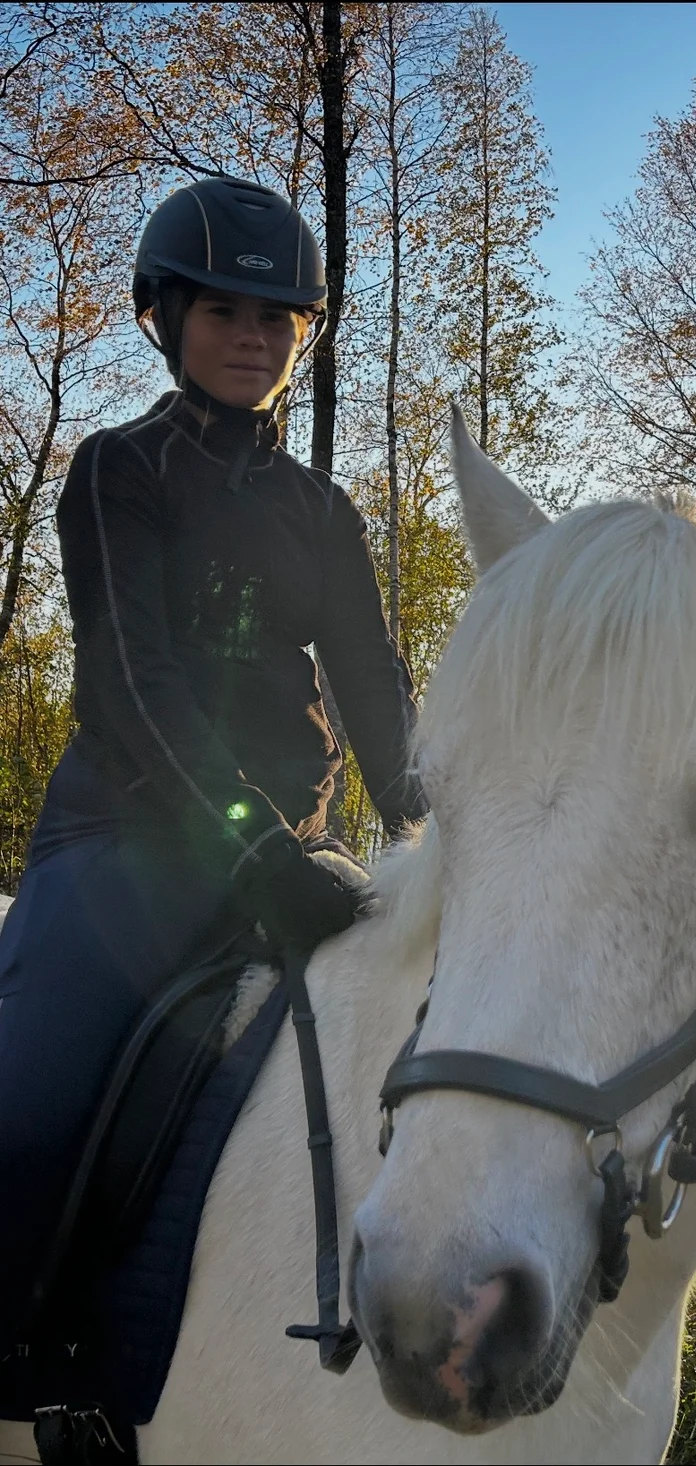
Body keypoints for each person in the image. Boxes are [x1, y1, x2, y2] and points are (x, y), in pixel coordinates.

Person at [0, 174, 427, 1350]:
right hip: (130, 845)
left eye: (276, 318)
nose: (252, 337)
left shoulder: (322, 512)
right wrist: (246, 844)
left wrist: (443, 829)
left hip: (295, 851)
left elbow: (376, 693)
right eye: (224, 313)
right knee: (24, 1119)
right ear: (167, 318)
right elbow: (135, 685)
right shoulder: (117, 471)